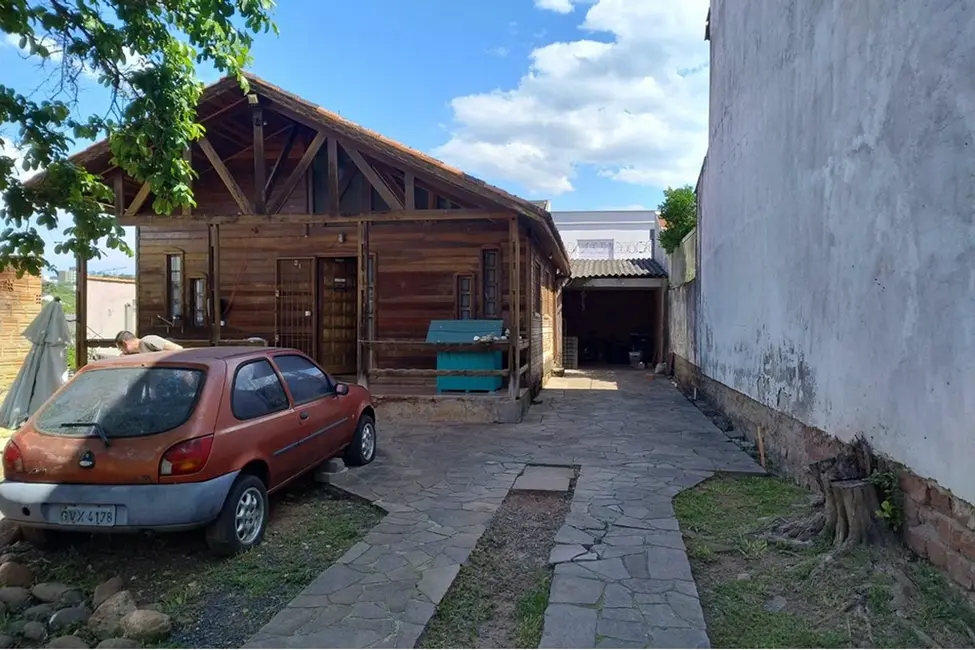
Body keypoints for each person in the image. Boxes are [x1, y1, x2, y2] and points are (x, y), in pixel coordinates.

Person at [114, 331, 184, 355]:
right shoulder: (140, 351)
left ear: (125, 344)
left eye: (120, 348)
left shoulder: (147, 341)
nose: (122, 351)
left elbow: (178, 349)